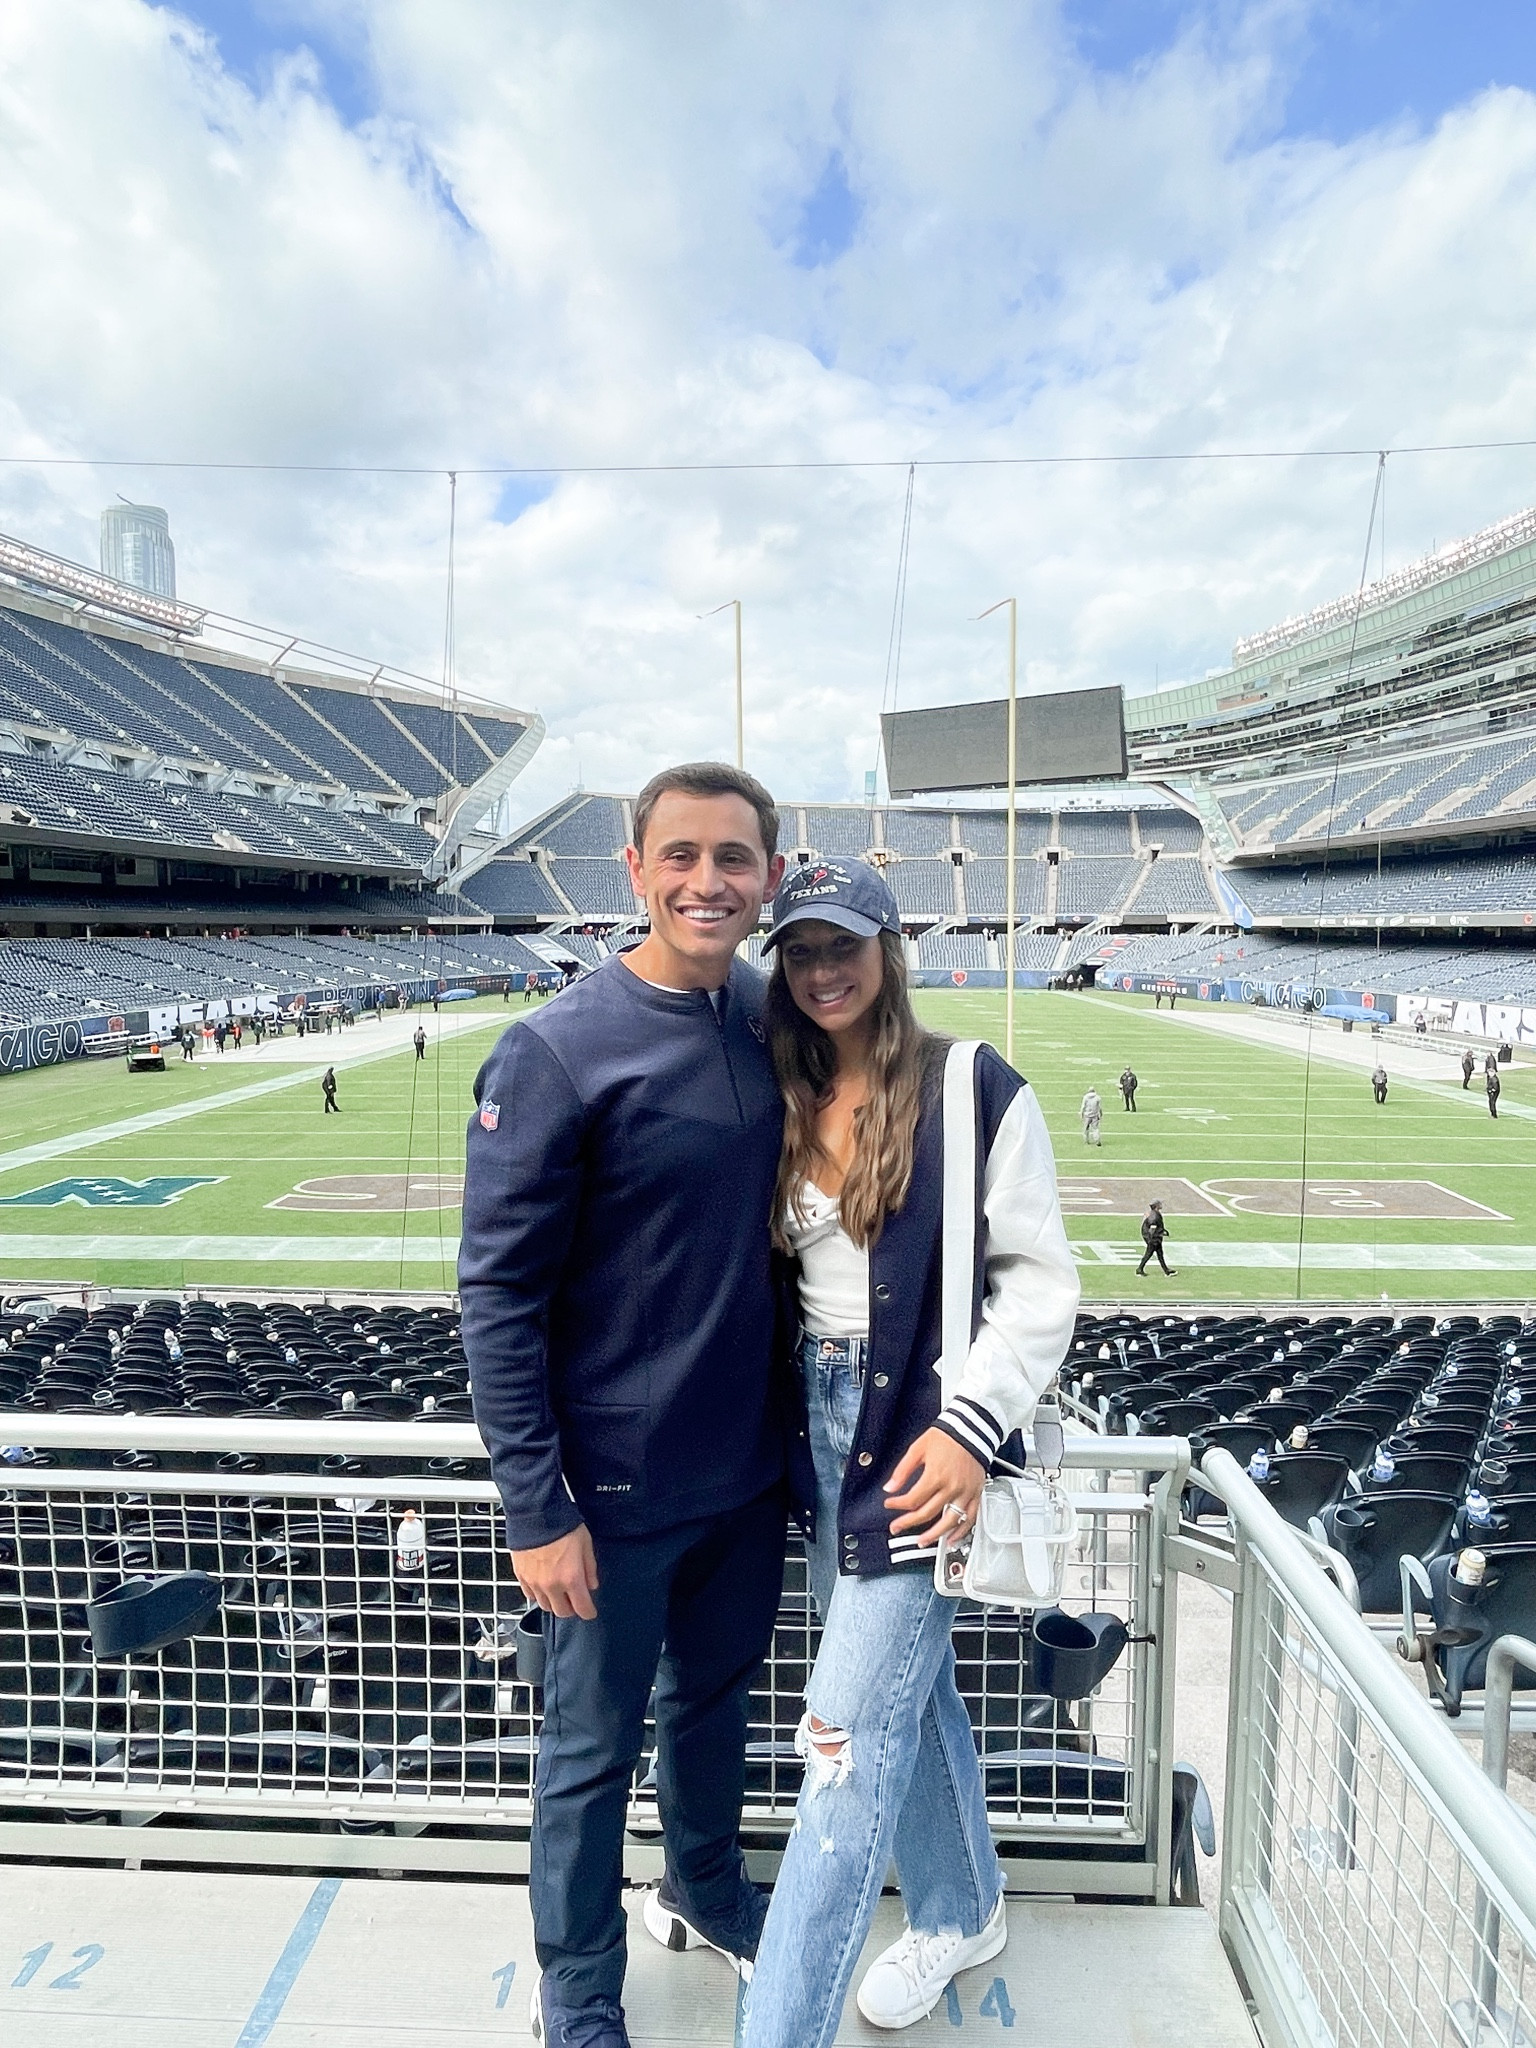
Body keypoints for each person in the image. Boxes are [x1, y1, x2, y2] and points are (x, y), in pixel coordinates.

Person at [460, 763, 792, 2048]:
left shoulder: (775, 1019)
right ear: (636, 867)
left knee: (715, 1707)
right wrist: (536, 1503)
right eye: (683, 855)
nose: (709, 880)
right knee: (589, 1752)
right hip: (606, 1490)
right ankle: (579, 1986)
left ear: (768, 872)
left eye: (735, 857)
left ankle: (704, 1884)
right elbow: (496, 1295)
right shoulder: (557, 1046)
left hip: (744, 1476)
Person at [740, 864, 1077, 2048]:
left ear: (890, 945)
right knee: (906, 1689)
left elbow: (1040, 1280)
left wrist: (973, 1425)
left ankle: (777, 2031)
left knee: (837, 1738)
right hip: (817, 1438)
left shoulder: (971, 1082)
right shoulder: (781, 1086)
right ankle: (961, 1902)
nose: (823, 968)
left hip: (923, 1445)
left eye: (845, 943)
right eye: (800, 949)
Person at [1137, 1199, 1175, 1277]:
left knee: (1160, 1254)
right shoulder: (1154, 1216)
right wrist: (1152, 1240)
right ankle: (1139, 1269)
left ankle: (1166, 1270)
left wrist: (1162, 1231)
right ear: (1156, 1206)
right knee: (1148, 1254)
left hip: (1155, 1238)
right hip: (1154, 1239)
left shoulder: (1154, 1214)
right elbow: (1152, 1228)